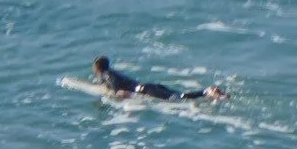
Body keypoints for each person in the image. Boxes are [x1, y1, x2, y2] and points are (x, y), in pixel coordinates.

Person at [91, 56, 225, 103]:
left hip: (147, 91)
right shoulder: (113, 72)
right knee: (181, 96)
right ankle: (207, 92)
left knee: (182, 98)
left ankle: (207, 92)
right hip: (149, 87)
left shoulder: (107, 75)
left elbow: (116, 88)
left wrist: (116, 93)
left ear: (97, 68)